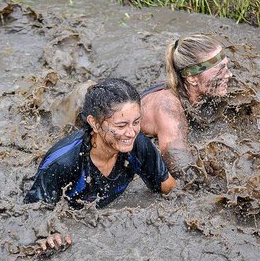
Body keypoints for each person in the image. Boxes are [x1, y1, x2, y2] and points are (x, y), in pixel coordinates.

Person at [24, 78, 177, 252]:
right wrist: (47, 236)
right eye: (121, 125)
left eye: (136, 122)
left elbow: (171, 189)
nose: (131, 133)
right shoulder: (62, 162)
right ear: (95, 123)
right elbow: (31, 215)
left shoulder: (138, 145)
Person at [140, 34, 232, 177]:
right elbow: (182, 170)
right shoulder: (168, 109)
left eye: (226, 67)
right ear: (192, 78)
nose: (228, 75)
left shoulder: (201, 89)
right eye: (219, 71)